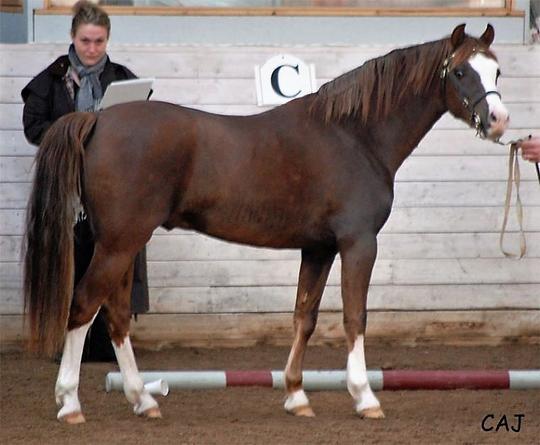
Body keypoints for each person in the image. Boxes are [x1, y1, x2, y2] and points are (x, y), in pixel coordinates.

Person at [21, 0, 149, 361]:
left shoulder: (123, 77)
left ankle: (110, 336)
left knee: (111, 255)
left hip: (113, 187)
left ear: (107, 40)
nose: (92, 49)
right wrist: (76, 135)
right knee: (71, 257)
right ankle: (67, 337)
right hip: (67, 184)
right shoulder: (49, 80)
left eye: (99, 42)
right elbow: (33, 128)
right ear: (72, 38)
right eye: (85, 41)